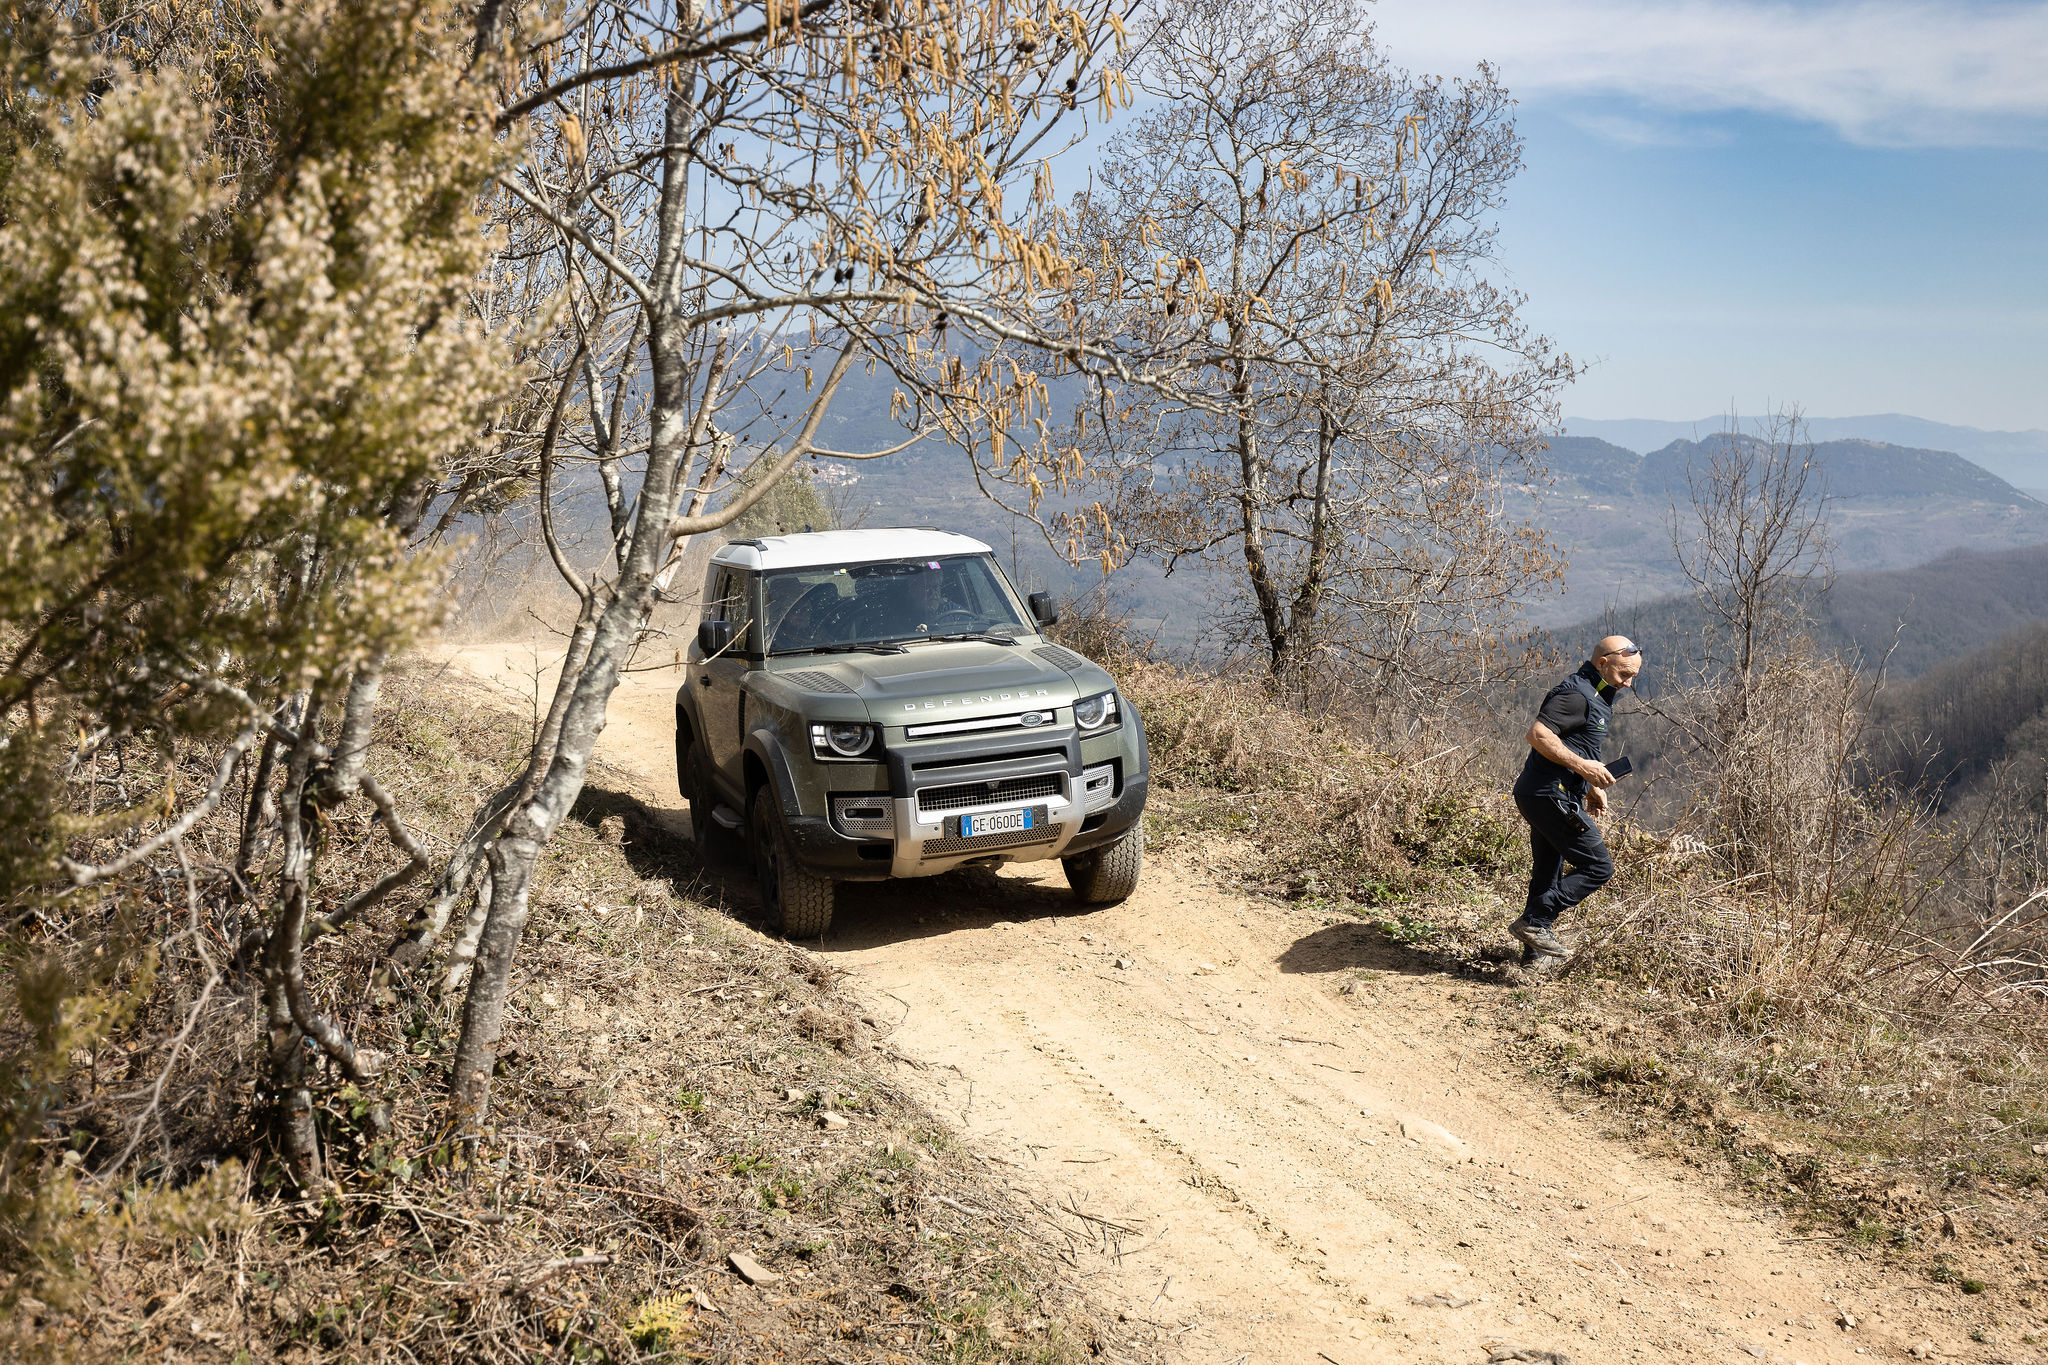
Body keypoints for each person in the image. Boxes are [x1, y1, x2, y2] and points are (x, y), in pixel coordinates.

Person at [1509, 636, 1643, 966]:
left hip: (1545, 794)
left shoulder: (1598, 694)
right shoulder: (1575, 695)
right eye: (1623, 674)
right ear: (1602, 663)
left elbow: (1579, 741)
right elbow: (1538, 735)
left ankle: (1533, 960)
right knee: (1598, 866)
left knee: (1547, 875)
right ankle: (1534, 921)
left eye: (1632, 678)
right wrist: (1582, 767)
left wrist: (1591, 784)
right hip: (1549, 795)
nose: (1626, 684)